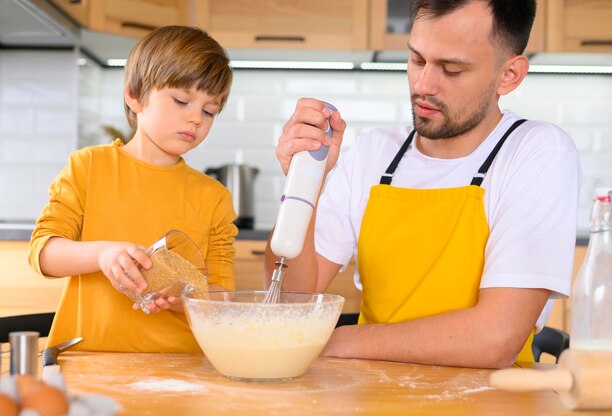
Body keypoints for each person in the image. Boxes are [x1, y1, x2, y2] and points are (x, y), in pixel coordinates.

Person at [265, 0, 580, 368]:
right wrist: (304, 187)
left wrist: (328, 340)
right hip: (370, 394)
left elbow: (494, 340)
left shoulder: (535, 151)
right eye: (416, 60)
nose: (424, 84)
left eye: (452, 69)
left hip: (492, 400)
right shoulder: (373, 152)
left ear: (509, 74)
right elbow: (289, 303)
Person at [29, 25, 237, 353]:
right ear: (135, 95)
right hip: (89, 359)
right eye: (182, 100)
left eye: (209, 111)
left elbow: (222, 299)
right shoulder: (88, 167)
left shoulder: (214, 197)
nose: (196, 118)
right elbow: (43, 253)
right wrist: (103, 254)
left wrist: (183, 300)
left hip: (179, 368)